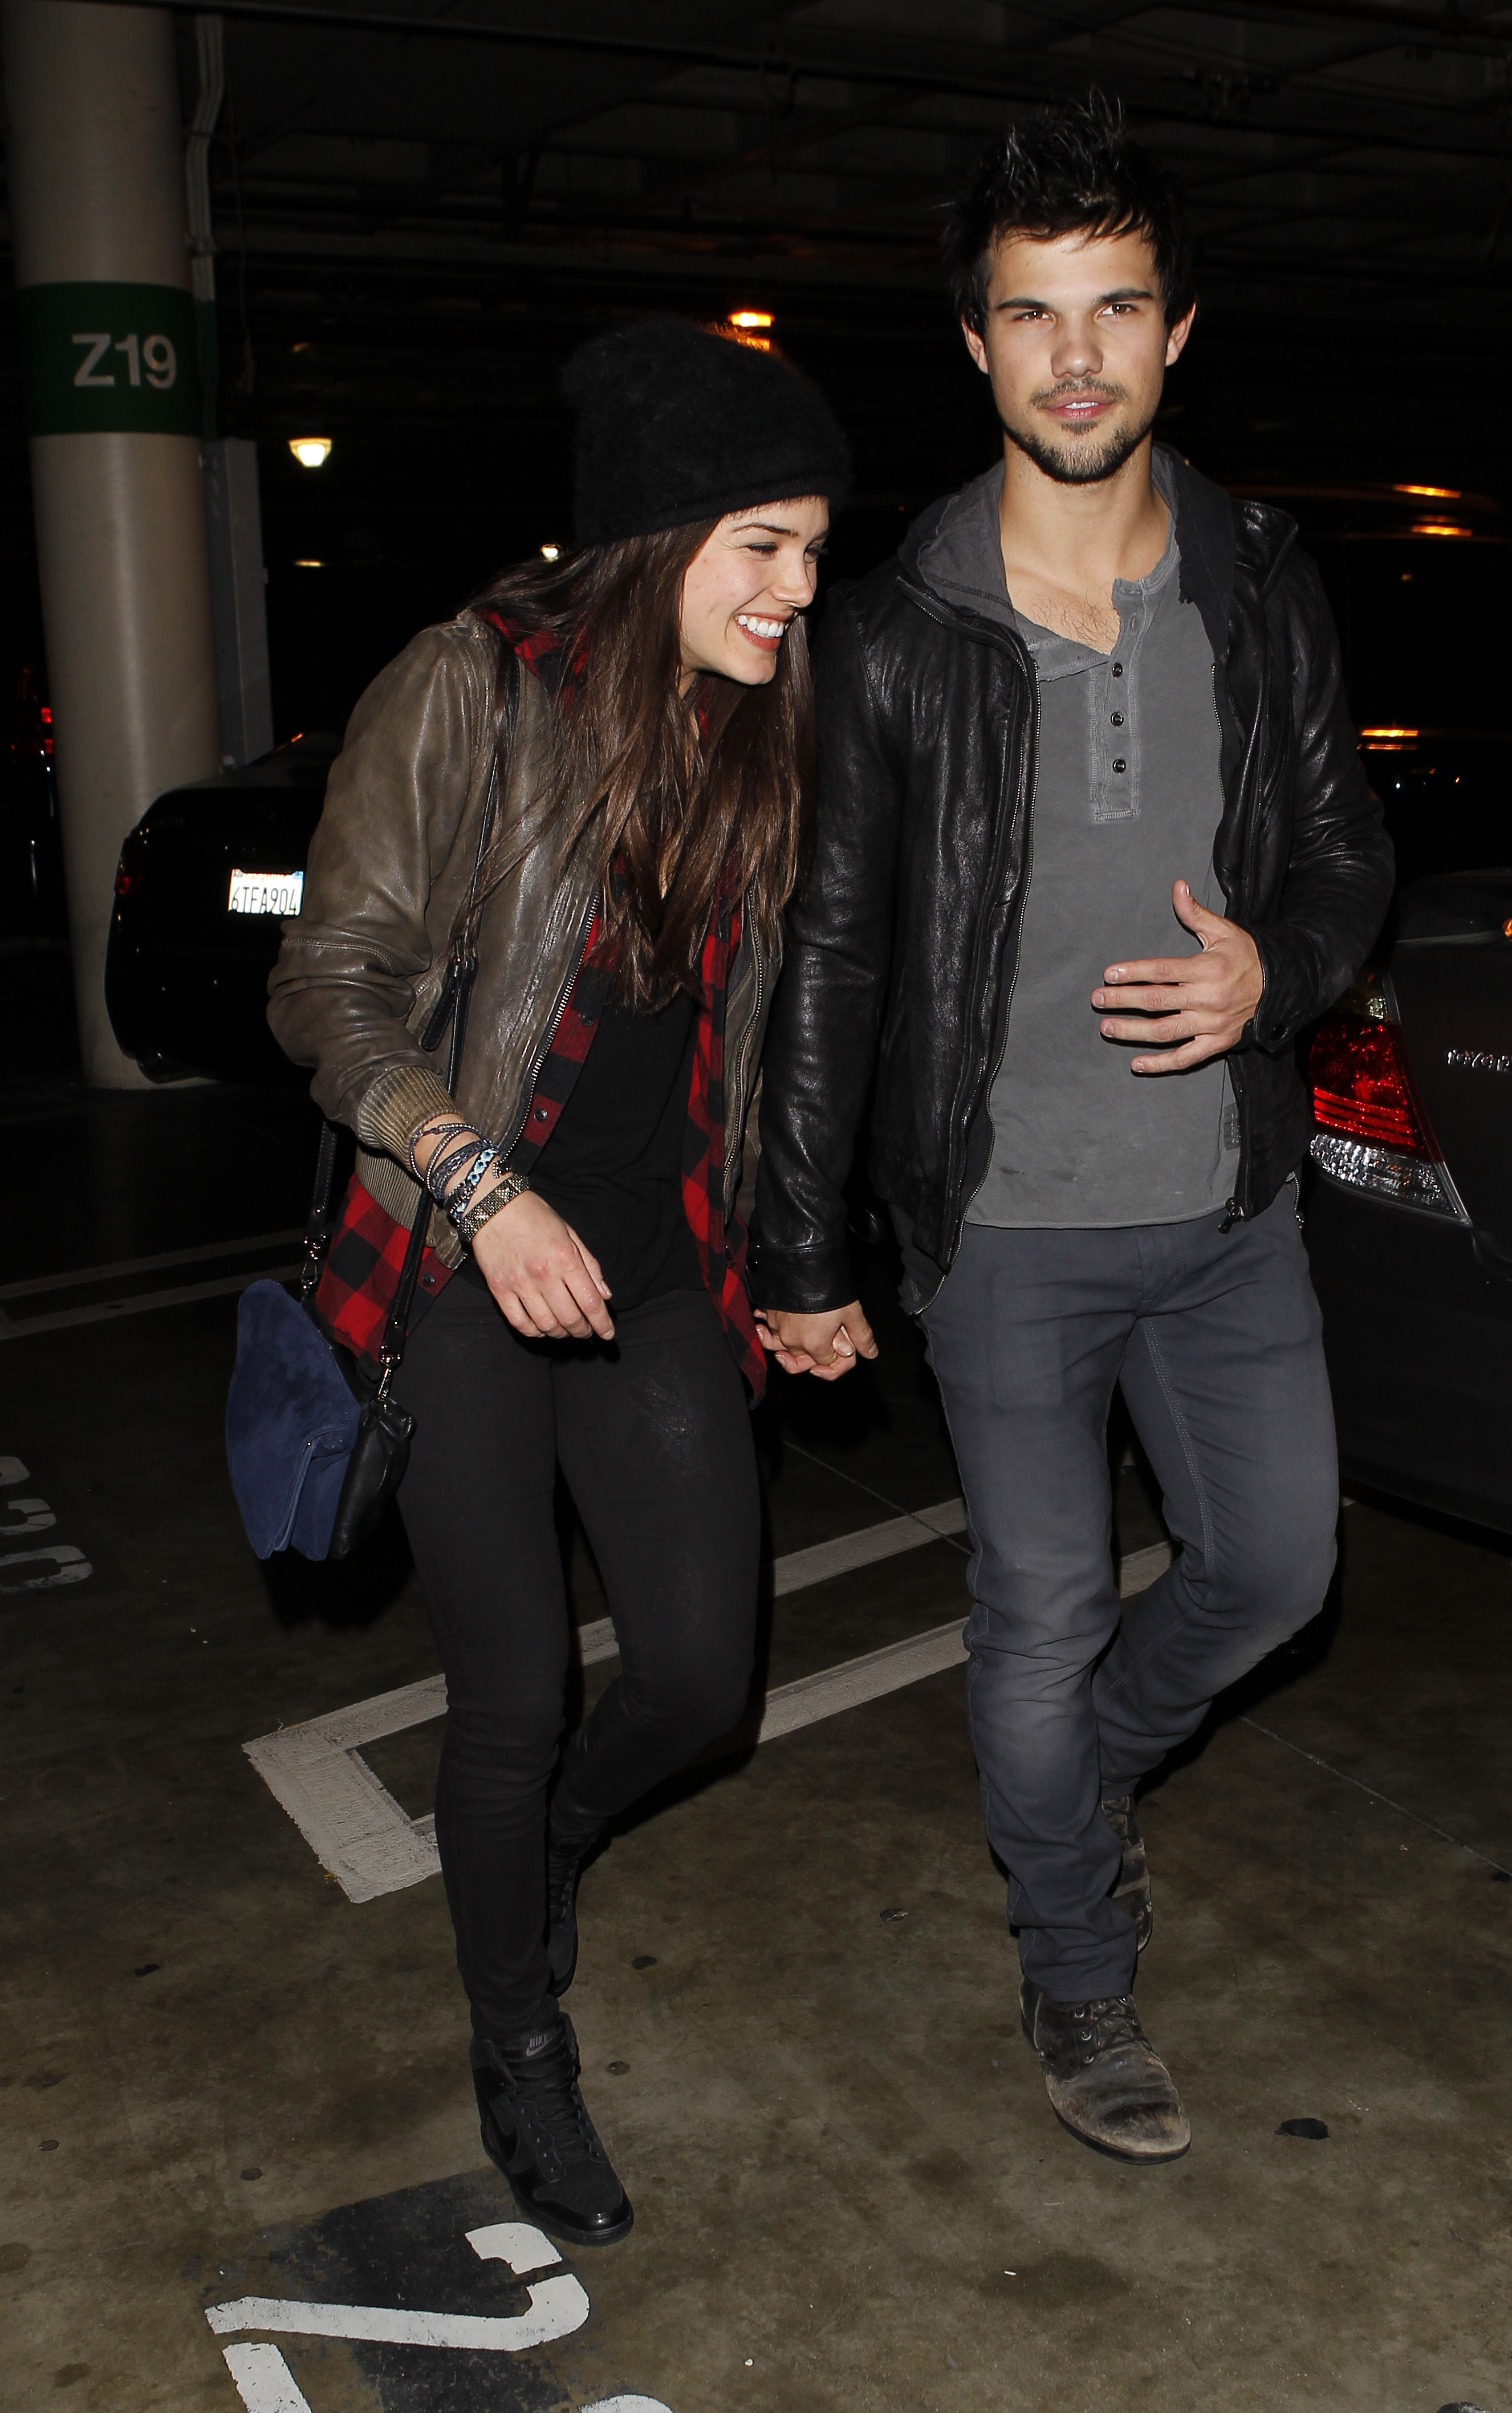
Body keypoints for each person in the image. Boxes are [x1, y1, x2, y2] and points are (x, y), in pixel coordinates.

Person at [751, 97, 1392, 2164]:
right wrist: (803, 1254)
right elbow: (832, 958)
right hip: (1004, 1227)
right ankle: (1077, 1965)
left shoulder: (1263, 575)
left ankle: (1076, 1770)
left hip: (1227, 1206)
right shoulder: (895, 635)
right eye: (1034, 317)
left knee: (1278, 1568)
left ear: (1177, 331)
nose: (1079, 356)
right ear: (978, 347)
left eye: (1117, 307)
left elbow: (1343, 852)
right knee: (1034, 1607)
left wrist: (1270, 981)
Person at [267, 319, 850, 2243]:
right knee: (509, 1691)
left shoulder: (758, 725)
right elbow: (330, 982)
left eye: (814, 547)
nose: (796, 587)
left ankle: (547, 1851)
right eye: (761, 543)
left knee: (698, 1679)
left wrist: (781, 1265)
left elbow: (750, 1043)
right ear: (656, 537)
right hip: (459, 1247)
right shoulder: (470, 689)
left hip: (658, 1265)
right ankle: (517, 2043)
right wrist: (479, 1180)